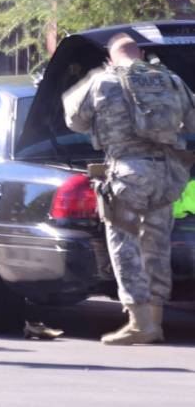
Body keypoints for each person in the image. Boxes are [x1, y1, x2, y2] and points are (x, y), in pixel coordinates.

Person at [62, 32, 195, 345]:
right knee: (157, 246)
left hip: (128, 173)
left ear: (110, 57)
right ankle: (156, 320)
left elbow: (74, 121)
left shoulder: (103, 82)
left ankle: (139, 323)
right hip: (168, 174)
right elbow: (192, 123)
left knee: (125, 246)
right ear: (143, 55)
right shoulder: (172, 80)